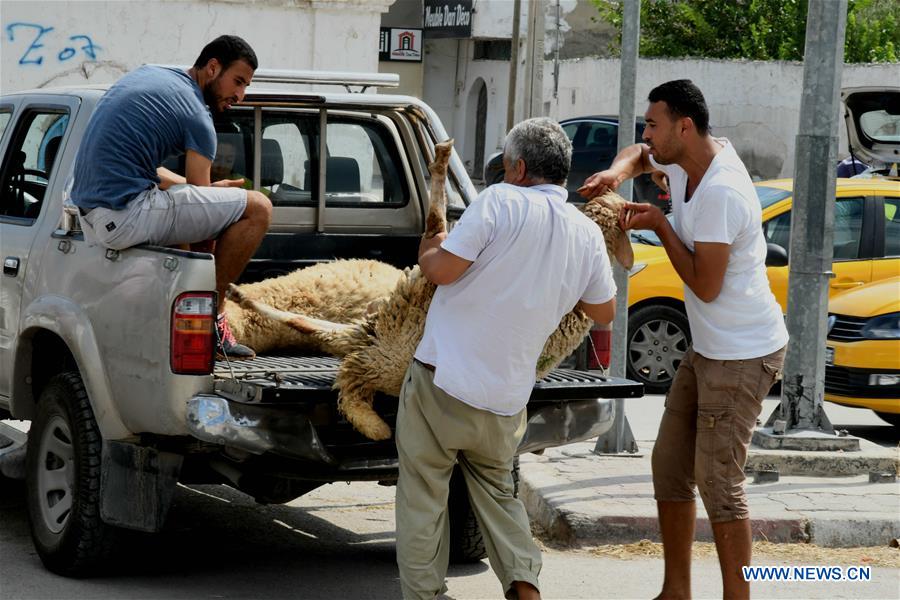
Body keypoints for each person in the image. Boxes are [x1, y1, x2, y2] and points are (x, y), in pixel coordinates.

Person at [579, 79, 788, 600]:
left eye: (654, 123)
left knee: (719, 485)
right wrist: (617, 172)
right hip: (708, 349)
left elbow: (705, 285)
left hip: (743, 354)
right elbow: (640, 155)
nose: (647, 135)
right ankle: (676, 592)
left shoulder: (720, 190)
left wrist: (659, 225)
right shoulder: (685, 160)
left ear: (684, 126)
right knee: (670, 467)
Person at [396, 117, 617, 600]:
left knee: (424, 498)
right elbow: (604, 311)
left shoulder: (497, 200)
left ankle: (425, 596)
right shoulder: (584, 233)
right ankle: (524, 585)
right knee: (499, 495)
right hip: (505, 398)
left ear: (516, 168)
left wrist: (430, 247)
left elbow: (442, 273)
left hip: (443, 383)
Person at [70, 35, 271, 360]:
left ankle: (176, 313)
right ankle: (212, 319)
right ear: (213, 67)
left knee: (182, 212)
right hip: (125, 216)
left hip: (95, 215)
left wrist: (210, 193)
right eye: (237, 82)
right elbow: (200, 204)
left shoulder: (153, 75)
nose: (240, 95)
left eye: (246, 86)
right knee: (259, 208)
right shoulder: (198, 117)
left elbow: (167, 183)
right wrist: (216, 196)